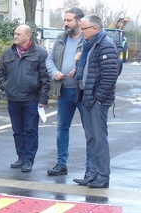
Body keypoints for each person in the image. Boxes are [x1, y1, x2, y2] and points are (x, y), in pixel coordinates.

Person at [72, 15, 118, 188]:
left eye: (84, 28)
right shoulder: (89, 45)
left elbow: (109, 76)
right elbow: (87, 71)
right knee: (91, 138)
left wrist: (99, 98)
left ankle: (102, 176)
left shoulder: (105, 45)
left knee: (99, 139)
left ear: (95, 29)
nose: (81, 31)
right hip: (87, 96)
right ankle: (92, 174)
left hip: (97, 100)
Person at [0, 24, 50, 173]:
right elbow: (1, 73)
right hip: (13, 99)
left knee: (31, 130)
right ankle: (21, 157)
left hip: (31, 99)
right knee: (17, 130)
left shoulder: (40, 53)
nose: (15, 36)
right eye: (14, 33)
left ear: (28, 36)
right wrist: (5, 86)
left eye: (18, 34)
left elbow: (45, 79)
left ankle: (28, 160)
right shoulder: (8, 53)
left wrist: (42, 100)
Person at [45, 7, 90, 176]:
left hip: (81, 92)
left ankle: (90, 167)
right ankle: (61, 164)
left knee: (89, 130)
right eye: (65, 20)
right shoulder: (60, 38)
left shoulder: (87, 40)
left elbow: (92, 63)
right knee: (62, 128)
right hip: (63, 90)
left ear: (79, 21)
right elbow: (49, 60)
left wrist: (79, 69)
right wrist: (54, 72)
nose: (66, 24)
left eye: (69, 20)